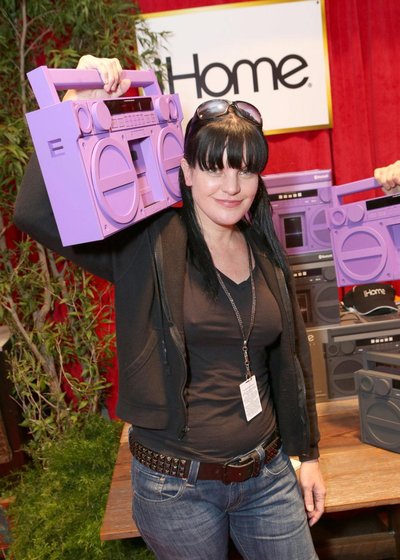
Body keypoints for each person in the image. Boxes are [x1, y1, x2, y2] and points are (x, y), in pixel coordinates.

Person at [14, 56, 325, 560]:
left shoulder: (265, 251)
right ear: (185, 170)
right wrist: (70, 110)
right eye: (214, 168)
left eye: (245, 170)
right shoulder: (149, 244)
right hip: (177, 489)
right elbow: (33, 212)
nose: (231, 186)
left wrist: (306, 454)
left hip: (266, 475)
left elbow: (288, 360)